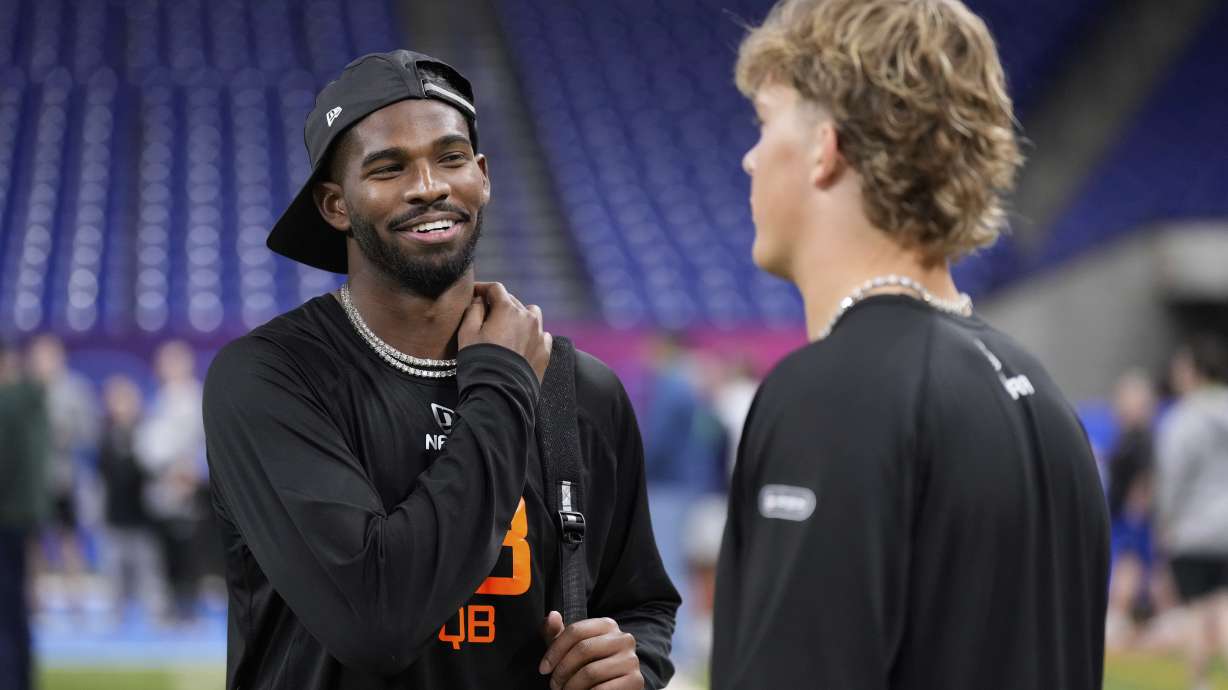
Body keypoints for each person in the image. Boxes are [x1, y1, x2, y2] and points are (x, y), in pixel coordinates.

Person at [203, 50, 678, 690]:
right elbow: (375, 620)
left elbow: (640, 601)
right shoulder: (271, 379)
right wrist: (503, 382)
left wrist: (634, 667)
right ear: (335, 204)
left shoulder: (580, 389)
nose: (429, 185)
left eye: (451, 158)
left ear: (481, 176)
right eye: (388, 167)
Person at [711, 1, 1109, 688]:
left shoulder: (831, 394)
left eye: (764, 120)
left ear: (824, 148)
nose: (749, 156)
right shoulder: (1043, 396)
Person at [1155, 336, 1228, 690]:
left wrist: (1164, 523)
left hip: (1194, 528)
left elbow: (1173, 477)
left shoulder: (1183, 418)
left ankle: (1199, 682)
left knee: (1197, 610)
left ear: (1196, 373)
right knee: (1225, 606)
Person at [136, 340, 208, 624]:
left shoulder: (195, 396)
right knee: (165, 551)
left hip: (189, 486)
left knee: (188, 551)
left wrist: (192, 470)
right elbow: (150, 444)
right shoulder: (158, 398)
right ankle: (170, 605)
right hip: (162, 486)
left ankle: (189, 606)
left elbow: (205, 440)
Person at [0, 340, 51, 690]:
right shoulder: (32, 400)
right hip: (25, 514)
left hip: (5, 516)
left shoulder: (7, 404)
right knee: (16, 610)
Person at [97, 375, 168, 624]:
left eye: (126, 401)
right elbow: (102, 476)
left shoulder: (146, 434)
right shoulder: (105, 437)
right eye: (117, 401)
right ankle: (115, 619)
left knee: (149, 575)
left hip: (143, 518)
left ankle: (157, 619)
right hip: (115, 517)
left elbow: (153, 471)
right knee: (115, 575)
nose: (122, 407)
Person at [1104, 369, 1160, 650]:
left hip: (1130, 519)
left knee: (1130, 566)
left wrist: (1136, 514)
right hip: (1119, 515)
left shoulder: (1142, 439)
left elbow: (1145, 480)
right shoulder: (1125, 436)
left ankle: (1121, 618)